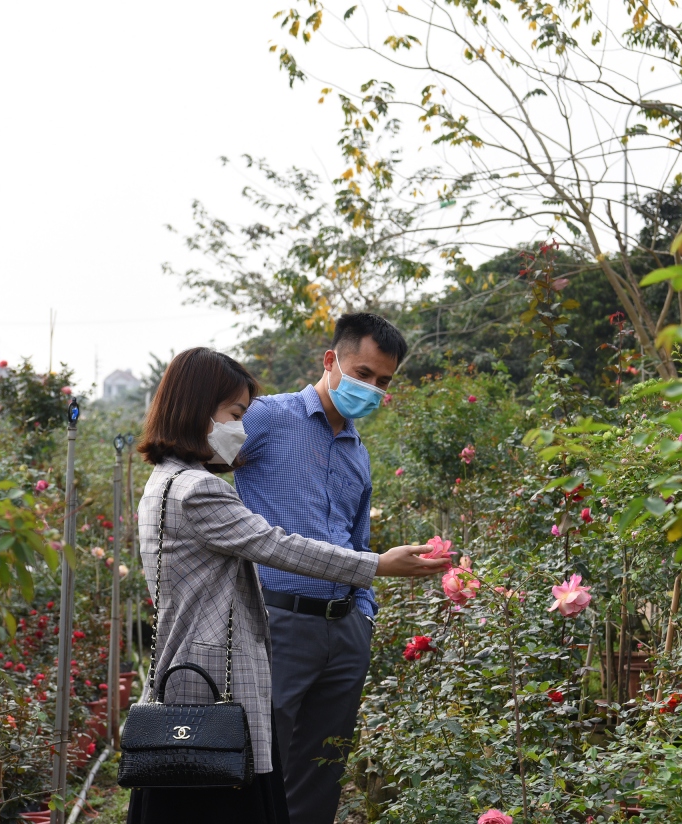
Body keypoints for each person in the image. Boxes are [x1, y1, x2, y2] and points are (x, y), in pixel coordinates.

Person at [128, 347, 446, 824]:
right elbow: (274, 544)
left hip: (288, 635)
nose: (241, 426)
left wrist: (363, 606)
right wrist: (376, 565)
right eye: (235, 414)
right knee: (232, 794)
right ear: (197, 409)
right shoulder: (199, 489)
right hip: (218, 668)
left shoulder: (166, 481)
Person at [233, 313, 405, 824]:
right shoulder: (268, 417)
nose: (371, 388)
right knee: (261, 763)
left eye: (383, 382)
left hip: (345, 629)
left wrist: (364, 617)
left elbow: (358, 540)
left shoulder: (358, 452)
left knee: (322, 769)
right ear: (330, 360)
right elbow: (202, 462)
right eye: (363, 372)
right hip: (278, 622)